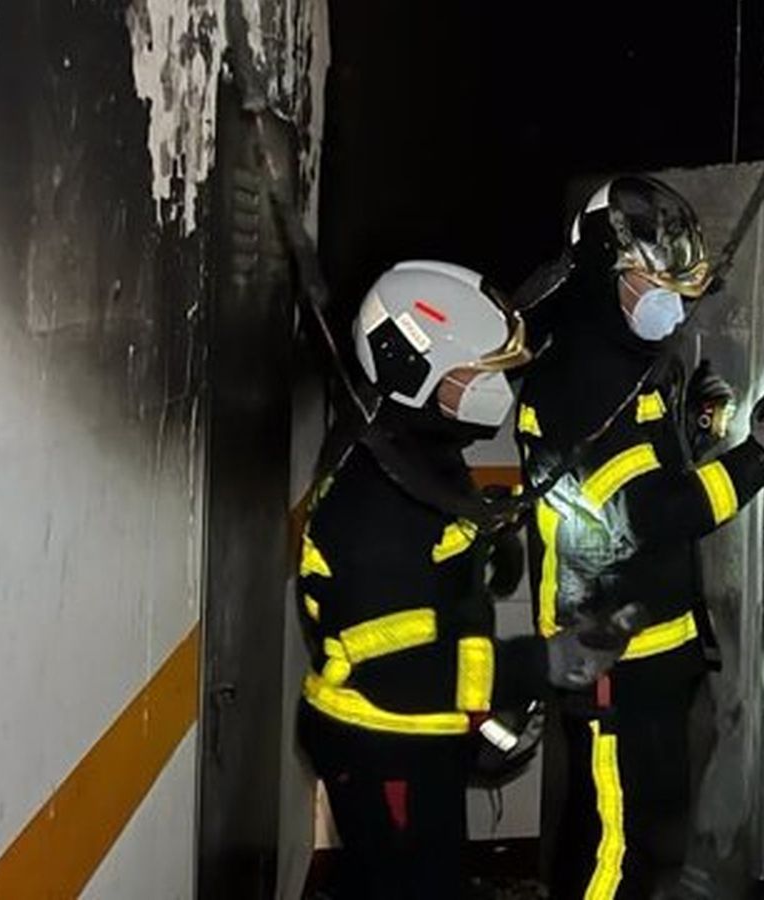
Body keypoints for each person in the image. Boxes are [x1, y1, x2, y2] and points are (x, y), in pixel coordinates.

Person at [514, 177, 764, 899]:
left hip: (653, 649)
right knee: (615, 850)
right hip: (610, 655)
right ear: (600, 273)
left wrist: (695, 430)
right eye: (652, 283)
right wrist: (759, 456)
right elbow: (648, 515)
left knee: (647, 835)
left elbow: (641, 467)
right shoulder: (580, 375)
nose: (669, 303)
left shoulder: (623, 356)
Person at [294, 259, 550, 899]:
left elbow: (437, 596)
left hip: (417, 739)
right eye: (479, 373)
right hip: (384, 741)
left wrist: (484, 543)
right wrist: (539, 666)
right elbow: (402, 669)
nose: (498, 388)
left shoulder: (416, 455)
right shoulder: (376, 501)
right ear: (418, 371)